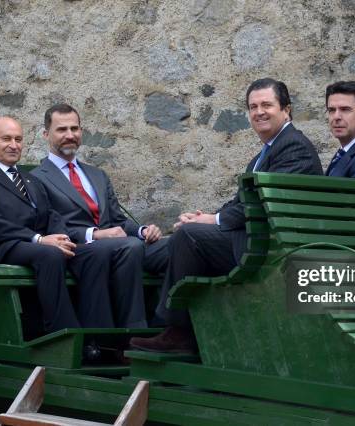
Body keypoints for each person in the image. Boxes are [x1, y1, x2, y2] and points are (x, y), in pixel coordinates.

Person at [130, 78, 323, 354]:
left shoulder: (293, 147)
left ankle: (179, 332)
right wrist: (207, 216)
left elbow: (263, 204)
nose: (259, 112)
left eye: (267, 105)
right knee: (159, 247)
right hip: (252, 237)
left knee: (189, 237)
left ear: (286, 110)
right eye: (253, 106)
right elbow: (242, 201)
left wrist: (214, 221)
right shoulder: (267, 152)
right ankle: (153, 323)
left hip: (269, 249)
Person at [0, 117, 126, 342]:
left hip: (37, 245)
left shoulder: (29, 179)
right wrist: (38, 239)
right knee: (50, 253)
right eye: (6, 139)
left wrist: (62, 236)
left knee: (97, 252)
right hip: (0, 248)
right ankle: (64, 336)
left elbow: (51, 215)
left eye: (18, 139)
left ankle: (101, 338)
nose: (14, 145)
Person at [31, 104, 168, 329]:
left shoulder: (97, 175)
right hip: (79, 250)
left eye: (74, 129)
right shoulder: (37, 178)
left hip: (121, 245)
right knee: (130, 247)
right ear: (46, 134)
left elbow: (117, 220)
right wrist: (96, 234)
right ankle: (133, 333)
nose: (69, 135)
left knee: (177, 245)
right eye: (61, 129)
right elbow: (50, 228)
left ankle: (168, 328)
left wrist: (143, 231)